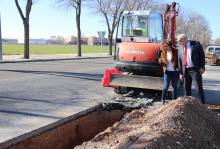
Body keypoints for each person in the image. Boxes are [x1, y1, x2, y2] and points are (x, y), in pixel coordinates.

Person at [177, 34, 206, 104]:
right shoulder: (180, 48)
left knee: (198, 88)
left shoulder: (196, 44)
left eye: (180, 41)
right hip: (185, 70)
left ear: (184, 39)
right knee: (186, 89)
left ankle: (202, 105)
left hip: (195, 70)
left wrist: (202, 67)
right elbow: (179, 61)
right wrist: (180, 73)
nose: (179, 43)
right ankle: (188, 105)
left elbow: (202, 55)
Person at [159, 39, 179, 104]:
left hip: (175, 71)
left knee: (175, 86)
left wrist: (178, 68)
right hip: (167, 71)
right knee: (166, 86)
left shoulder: (176, 51)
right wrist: (161, 62)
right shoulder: (163, 52)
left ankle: (174, 100)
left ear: (169, 45)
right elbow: (162, 62)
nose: (165, 47)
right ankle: (163, 99)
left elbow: (179, 61)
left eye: (166, 46)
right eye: (164, 46)